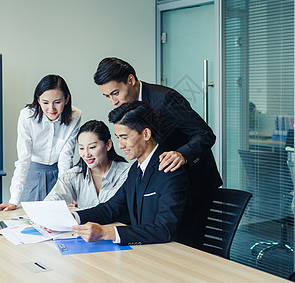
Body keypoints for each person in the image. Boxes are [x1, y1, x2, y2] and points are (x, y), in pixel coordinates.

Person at [92, 57, 222, 249]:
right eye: (107, 97)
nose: (113, 101)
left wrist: (182, 155)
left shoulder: (165, 100)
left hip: (192, 182)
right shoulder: (128, 110)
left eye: (115, 93)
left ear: (130, 80)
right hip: (163, 180)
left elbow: (204, 134)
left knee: (187, 247)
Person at [71, 101, 190, 246]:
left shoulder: (169, 169)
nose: (120, 145)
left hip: (173, 254)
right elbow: (112, 208)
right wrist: (73, 217)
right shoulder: (135, 170)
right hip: (145, 250)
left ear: (146, 134)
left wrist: (107, 232)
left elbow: (164, 229)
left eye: (124, 137)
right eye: (118, 138)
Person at [0, 75, 81, 212]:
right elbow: (23, 160)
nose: (51, 108)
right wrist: (13, 200)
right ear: (38, 100)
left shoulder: (75, 116)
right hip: (32, 173)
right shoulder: (27, 116)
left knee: (61, 217)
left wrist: (67, 193)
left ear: (67, 99)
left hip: (61, 174)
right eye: (45, 102)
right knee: (29, 220)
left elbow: (65, 158)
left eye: (57, 102)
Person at [44, 120, 130, 209]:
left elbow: (119, 210)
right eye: (81, 148)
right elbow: (50, 203)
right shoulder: (73, 175)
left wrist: (78, 211)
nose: (86, 154)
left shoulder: (126, 173)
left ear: (108, 145)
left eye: (92, 147)